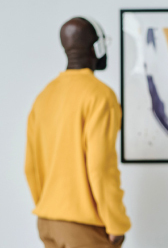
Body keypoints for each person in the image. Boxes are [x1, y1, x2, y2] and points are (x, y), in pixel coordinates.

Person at [25, 17, 131, 248]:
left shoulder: (44, 96)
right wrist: (116, 223)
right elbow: (100, 168)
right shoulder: (100, 96)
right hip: (84, 228)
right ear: (97, 47)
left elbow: (30, 167)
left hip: (47, 223)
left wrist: (50, 208)